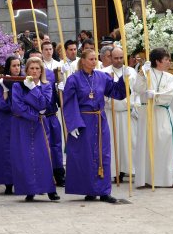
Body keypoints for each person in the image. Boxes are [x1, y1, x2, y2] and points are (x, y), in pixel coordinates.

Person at [62, 49, 127, 202]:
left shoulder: (102, 77)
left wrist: (125, 79)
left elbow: (117, 93)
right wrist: (73, 124)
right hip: (83, 122)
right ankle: (89, 190)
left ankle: (104, 191)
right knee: (86, 156)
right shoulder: (73, 79)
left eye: (95, 59)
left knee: (103, 154)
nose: (94, 62)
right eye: (91, 59)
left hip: (99, 120)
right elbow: (69, 102)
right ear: (83, 60)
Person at [10, 57, 60, 202]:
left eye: (37, 68)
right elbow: (17, 106)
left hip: (41, 126)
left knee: (43, 156)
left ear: (42, 70)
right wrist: (36, 114)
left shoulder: (46, 86)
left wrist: (33, 89)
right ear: (27, 70)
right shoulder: (18, 86)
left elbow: (44, 103)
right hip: (24, 125)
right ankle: (30, 189)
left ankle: (49, 189)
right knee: (26, 157)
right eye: (32, 68)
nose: (35, 71)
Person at [133, 48, 173, 189]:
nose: (169, 62)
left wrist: (155, 95)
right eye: (166, 59)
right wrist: (142, 74)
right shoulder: (146, 73)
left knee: (165, 142)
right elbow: (137, 88)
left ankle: (167, 178)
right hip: (147, 113)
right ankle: (148, 177)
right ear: (157, 61)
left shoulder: (170, 77)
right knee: (148, 144)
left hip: (163, 113)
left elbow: (170, 92)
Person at [101, 46, 138, 183]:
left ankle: (129, 169)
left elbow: (136, 91)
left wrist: (135, 105)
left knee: (129, 142)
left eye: (121, 57)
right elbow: (103, 92)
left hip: (127, 113)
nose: (118, 60)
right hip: (112, 113)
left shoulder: (131, 71)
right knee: (113, 142)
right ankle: (114, 171)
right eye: (115, 58)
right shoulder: (104, 72)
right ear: (110, 58)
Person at [31, 48, 65, 187]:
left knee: (55, 147)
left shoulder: (51, 74)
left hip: (51, 116)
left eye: (38, 61)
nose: (36, 65)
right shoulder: (25, 77)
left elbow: (58, 99)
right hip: (35, 118)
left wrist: (61, 88)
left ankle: (59, 175)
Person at [0, 56, 21, 194]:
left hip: (20, 121)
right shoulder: (2, 83)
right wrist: (5, 90)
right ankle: (8, 182)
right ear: (8, 67)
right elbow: (2, 105)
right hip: (6, 122)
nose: (17, 68)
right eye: (14, 65)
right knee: (6, 152)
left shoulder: (24, 81)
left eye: (18, 65)